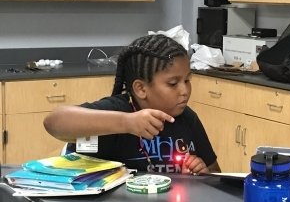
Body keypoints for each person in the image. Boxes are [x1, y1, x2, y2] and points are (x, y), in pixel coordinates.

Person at [44, 34, 221, 175]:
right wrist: (127, 123)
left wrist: (201, 173)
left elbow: (215, 173)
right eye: (173, 83)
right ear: (141, 89)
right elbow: (54, 121)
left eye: (187, 80)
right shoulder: (120, 110)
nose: (185, 90)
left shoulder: (187, 119)